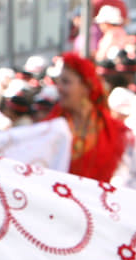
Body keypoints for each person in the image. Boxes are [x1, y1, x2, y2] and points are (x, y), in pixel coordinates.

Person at [48, 52, 128, 183]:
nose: (59, 88)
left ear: (86, 87)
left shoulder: (113, 131)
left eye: (66, 82)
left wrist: (117, 196)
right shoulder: (52, 126)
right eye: (58, 82)